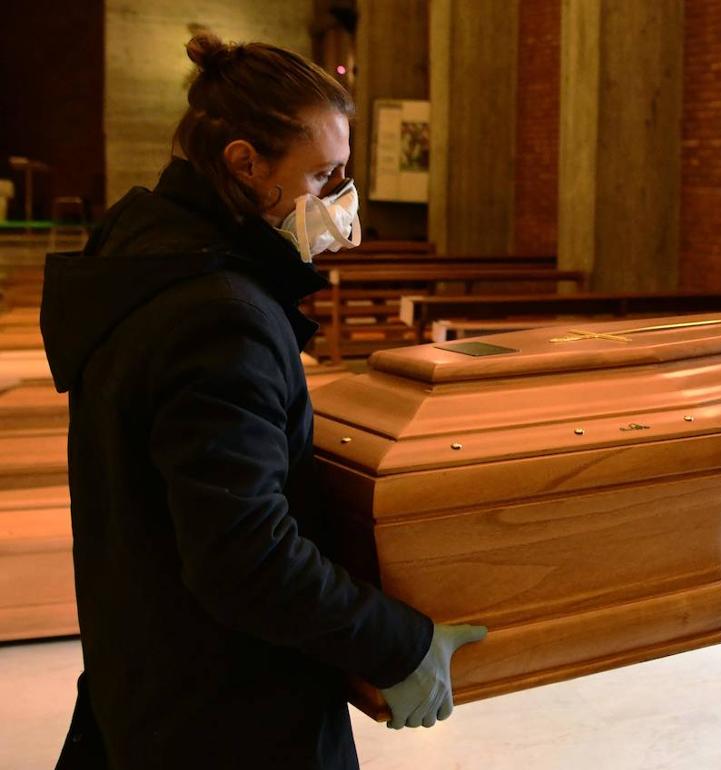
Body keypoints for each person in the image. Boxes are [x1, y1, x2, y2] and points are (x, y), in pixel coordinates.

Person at [41, 35, 485, 770]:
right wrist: (400, 644)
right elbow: (245, 557)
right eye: (322, 175)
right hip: (233, 717)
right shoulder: (218, 316)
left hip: (148, 673)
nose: (339, 201)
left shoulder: (137, 254)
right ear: (245, 164)